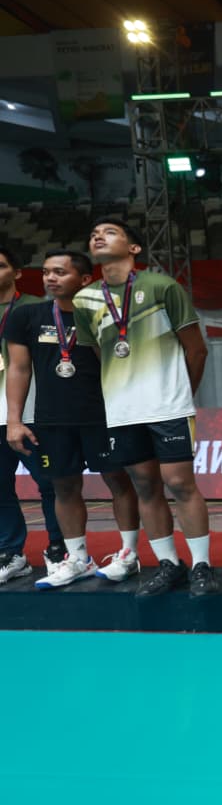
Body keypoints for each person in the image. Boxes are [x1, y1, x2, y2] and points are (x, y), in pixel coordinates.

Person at [75, 218, 216, 596]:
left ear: (134, 248)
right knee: (145, 486)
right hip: (122, 411)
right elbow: (99, 354)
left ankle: (202, 565)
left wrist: (181, 394)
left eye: (110, 232)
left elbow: (196, 349)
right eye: (94, 234)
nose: (98, 236)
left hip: (168, 407)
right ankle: (169, 564)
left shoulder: (161, 286)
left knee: (180, 483)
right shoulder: (85, 299)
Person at [5, 250, 141, 588]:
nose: (50, 278)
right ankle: (78, 557)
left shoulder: (104, 314)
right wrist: (14, 420)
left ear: (85, 279)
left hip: (104, 415)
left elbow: (120, 362)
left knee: (118, 482)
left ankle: (128, 554)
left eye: (60, 272)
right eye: (46, 272)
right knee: (63, 487)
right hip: (52, 419)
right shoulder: (27, 316)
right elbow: (19, 369)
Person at [0, 245, 64, 582]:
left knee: (52, 484)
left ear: (17, 272)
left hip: (32, 413)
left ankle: (60, 549)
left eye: (0, 265)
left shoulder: (39, 309)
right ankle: (11, 552)